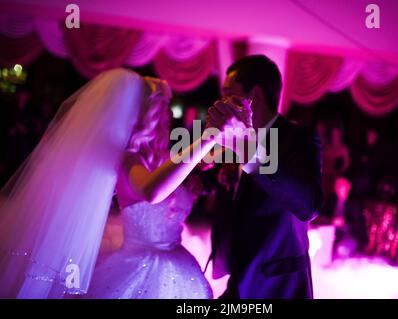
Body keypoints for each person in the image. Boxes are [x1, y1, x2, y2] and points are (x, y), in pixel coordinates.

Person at [0, 68, 212, 298]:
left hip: (179, 265)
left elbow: (168, 185)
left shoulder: (160, 159)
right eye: (164, 106)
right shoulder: (129, 160)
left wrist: (190, 183)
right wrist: (209, 137)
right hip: (137, 270)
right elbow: (152, 191)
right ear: (149, 113)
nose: (169, 114)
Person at [206, 55, 323, 299]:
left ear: (253, 96)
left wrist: (249, 154)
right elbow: (241, 195)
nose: (221, 101)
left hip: (277, 285)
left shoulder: (297, 138)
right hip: (240, 277)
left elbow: (309, 205)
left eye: (228, 93)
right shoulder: (231, 137)